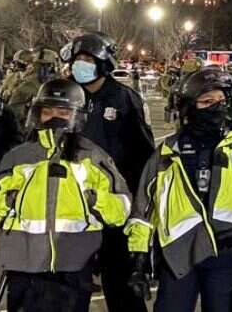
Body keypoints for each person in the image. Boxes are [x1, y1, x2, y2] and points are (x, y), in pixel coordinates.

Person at [125, 67, 232, 312]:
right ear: (189, 107)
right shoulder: (166, 154)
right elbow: (143, 213)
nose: (216, 107)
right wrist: (138, 261)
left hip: (225, 259)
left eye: (221, 101)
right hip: (177, 257)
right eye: (207, 101)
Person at [0, 78, 131, 312]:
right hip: (24, 266)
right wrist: (5, 201)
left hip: (74, 267)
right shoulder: (19, 157)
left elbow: (120, 210)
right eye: (48, 111)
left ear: (77, 114)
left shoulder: (93, 157)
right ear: (37, 114)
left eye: (64, 111)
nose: (55, 117)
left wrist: (97, 201)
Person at [61, 32, 155, 312]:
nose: (81, 65)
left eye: (87, 59)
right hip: (72, 207)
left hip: (115, 205)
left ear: (103, 63)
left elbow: (144, 153)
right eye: (77, 59)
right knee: (69, 285)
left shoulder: (124, 99)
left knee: (121, 284)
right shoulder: (64, 95)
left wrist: (139, 204)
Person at [8, 48, 59, 130]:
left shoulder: (60, 84)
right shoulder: (28, 85)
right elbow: (14, 110)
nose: (45, 69)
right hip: (32, 129)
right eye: (41, 66)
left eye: (48, 66)